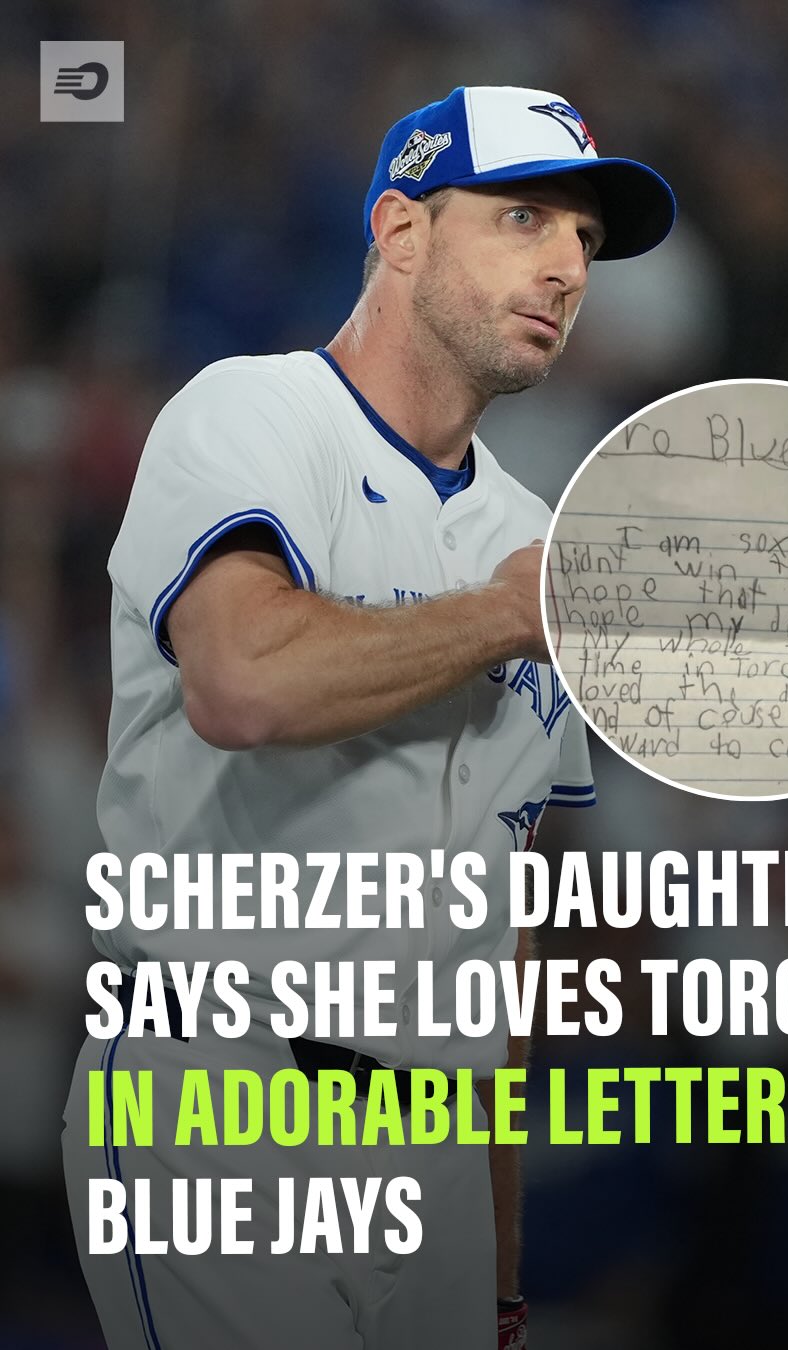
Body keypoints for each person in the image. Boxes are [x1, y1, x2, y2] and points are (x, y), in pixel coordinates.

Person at [63, 85, 675, 1349]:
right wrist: (508, 618)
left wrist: (503, 1265)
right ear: (401, 231)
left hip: (441, 1148)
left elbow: (501, 945)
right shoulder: (249, 413)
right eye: (523, 219)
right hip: (226, 1093)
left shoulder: (530, 542)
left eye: (586, 243)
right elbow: (242, 683)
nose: (566, 266)